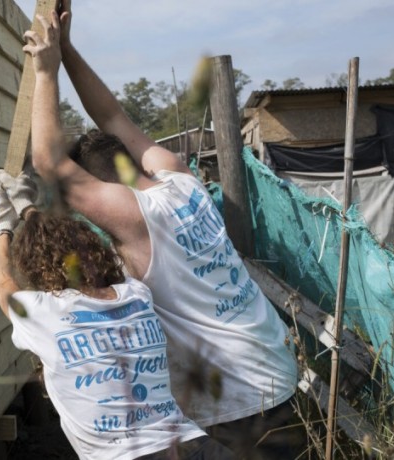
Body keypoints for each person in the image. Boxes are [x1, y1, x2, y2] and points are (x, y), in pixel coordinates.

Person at [19, 2, 302, 458]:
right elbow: (113, 118)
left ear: (109, 189)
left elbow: (48, 164)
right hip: (275, 369)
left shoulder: (136, 218)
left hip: (235, 404)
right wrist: (68, 49)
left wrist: (46, 72)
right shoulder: (180, 178)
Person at [0, 174, 235, 460]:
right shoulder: (136, 294)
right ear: (96, 250)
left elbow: (2, 282)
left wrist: (0, 226)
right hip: (194, 447)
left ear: (36, 268)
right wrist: (28, 208)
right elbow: (69, 247)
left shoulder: (43, 312)